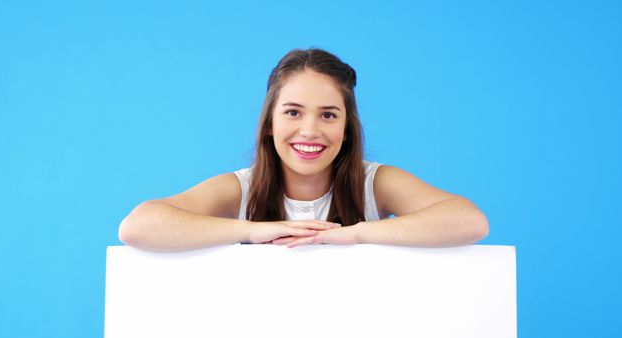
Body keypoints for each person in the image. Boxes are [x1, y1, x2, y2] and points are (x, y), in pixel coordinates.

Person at [118, 48, 489, 252]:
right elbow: (138, 227)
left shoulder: (374, 182)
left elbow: (469, 221)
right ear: (269, 124)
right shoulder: (241, 189)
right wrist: (253, 231)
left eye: (328, 114)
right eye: (293, 112)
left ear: (346, 130)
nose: (310, 130)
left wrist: (355, 233)